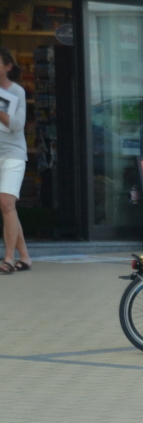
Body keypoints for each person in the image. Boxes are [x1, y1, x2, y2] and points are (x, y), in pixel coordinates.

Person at [0, 46, 30, 274]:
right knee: (8, 207)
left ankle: (8, 258)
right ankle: (25, 258)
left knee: (6, 203)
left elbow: (17, 126)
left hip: (13, 154)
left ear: (8, 67)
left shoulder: (17, 91)